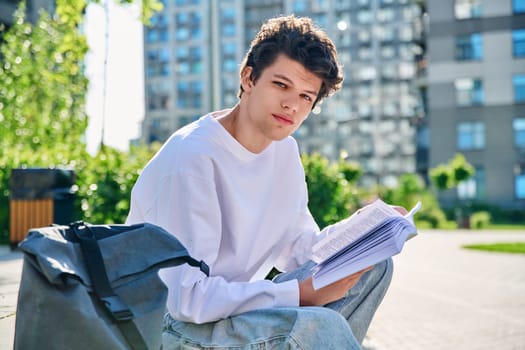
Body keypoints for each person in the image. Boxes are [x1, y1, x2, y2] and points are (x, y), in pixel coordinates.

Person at [127, 15, 398, 349]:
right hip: (164, 327)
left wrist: (361, 232)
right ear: (249, 78)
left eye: (306, 97)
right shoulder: (193, 157)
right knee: (317, 327)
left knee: (373, 266)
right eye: (281, 86)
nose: (291, 106)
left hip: (227, 314)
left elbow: (298, 248)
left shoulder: (283, 151)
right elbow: (186, 299)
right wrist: (299, 295)